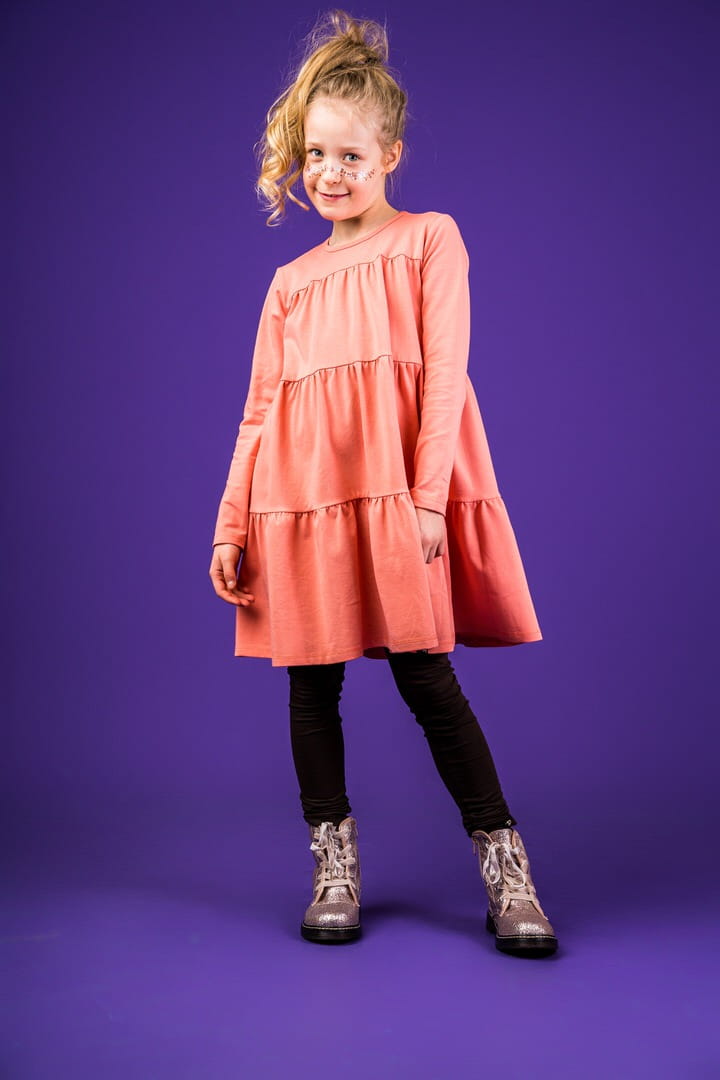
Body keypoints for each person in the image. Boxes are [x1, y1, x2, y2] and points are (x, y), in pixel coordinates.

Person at [209, 9, 558, 958]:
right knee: (310, 685)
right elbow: (259, 412)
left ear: (390, 155)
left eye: (351, 156)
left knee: (427, 678)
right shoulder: (289, 283)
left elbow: (444, 377)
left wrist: (429, 496)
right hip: (299, 502)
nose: (329, 173)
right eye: (316, 154)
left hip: (399, 492)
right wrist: (232, 522)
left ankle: (507, 871)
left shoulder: (430, 241)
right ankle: (334, 868)